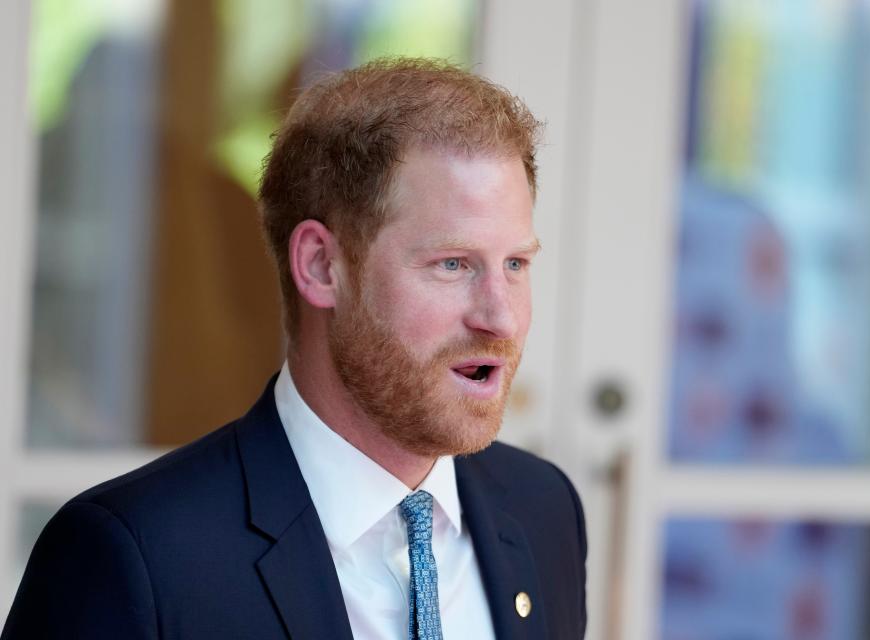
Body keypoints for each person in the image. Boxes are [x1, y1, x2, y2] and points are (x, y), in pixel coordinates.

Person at [2, 58, 587, 640]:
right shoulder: (134, 558)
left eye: (515, 263)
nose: (501, 316)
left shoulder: (545, 511)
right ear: (319, 265)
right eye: (452, 264)